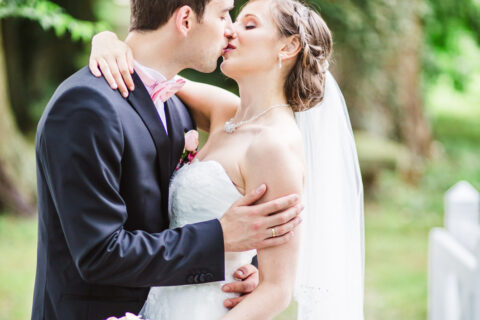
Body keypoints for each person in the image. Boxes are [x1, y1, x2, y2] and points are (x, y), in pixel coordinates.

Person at [90, 0, 365, 319]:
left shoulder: (273, 146)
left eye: (249, 25)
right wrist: (106, 41)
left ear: (288, 46)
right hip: (160, 301)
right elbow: (152, 71)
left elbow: (277, 289)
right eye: (232, 20)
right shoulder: (225, 112)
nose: (230, 29)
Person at [32, 0, 305, 319]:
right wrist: (220, 238)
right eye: (223, 14)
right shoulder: (86, 105)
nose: (229, 28)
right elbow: (97, 253)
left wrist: (254, 268)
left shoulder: (177, 106)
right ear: (186, 20)